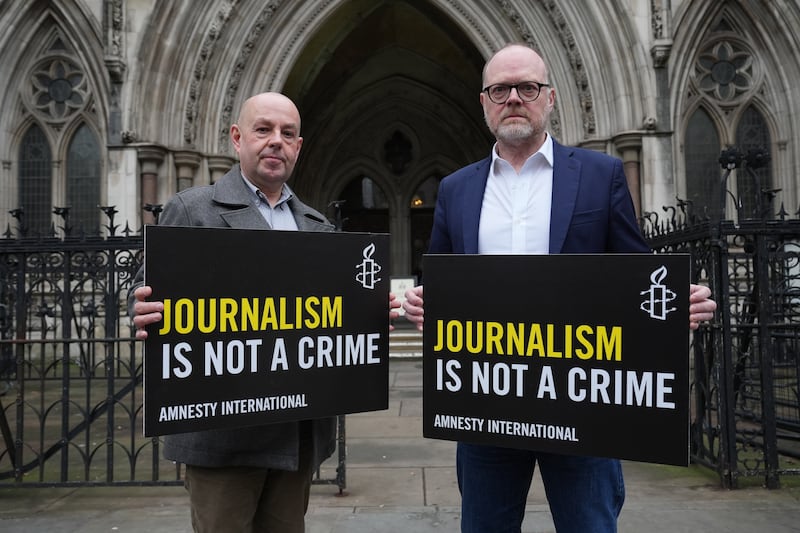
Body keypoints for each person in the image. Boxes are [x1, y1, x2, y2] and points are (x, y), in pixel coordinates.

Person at [402, 44, 717, 533]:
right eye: (500, 89)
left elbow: (633, 273)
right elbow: (441, 280)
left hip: (581, 401)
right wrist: (427, 303)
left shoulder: (601, 174)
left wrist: (672, 305)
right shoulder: (457, 188)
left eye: (527, 88)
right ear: (484, 101)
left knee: (589, 525)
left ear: (549, 98)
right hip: (487, 402)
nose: (513, 98)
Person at [129, 92, 337, 533]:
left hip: (296, 429)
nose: (275, 141)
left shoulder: (318, 228)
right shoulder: (191, 210)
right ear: (237, 138)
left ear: (299, 147)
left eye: (288, 133)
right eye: (263, 130)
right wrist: (144, 308)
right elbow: (152, 294)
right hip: (223, 433)